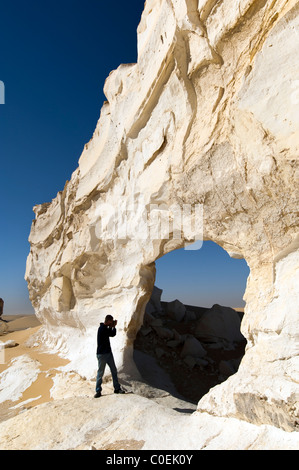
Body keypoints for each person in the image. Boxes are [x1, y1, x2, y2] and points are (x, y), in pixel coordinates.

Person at [94, 314, 125, 398]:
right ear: (108, 321)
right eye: (110, 322)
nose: (111, 323)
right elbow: (112, 334)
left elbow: (111, 333)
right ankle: (98, 391)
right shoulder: (102, 329)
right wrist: (113, 326)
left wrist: (112, 326)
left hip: (107, 353)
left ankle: (117, 388)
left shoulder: (104, 328)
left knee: (113, 370)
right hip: (102, 354)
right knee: (100, 373)